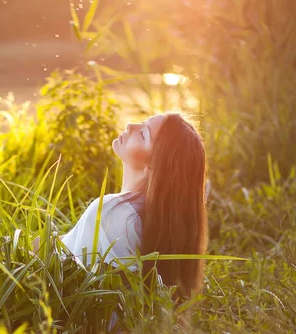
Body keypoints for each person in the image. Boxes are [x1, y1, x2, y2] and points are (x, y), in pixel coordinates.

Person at [57, 112, 208, 300]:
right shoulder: (143, 215)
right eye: (143, 122)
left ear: (153, 167)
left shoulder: (116, 213)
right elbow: (65, 243)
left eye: (143, 134)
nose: (130, 125)